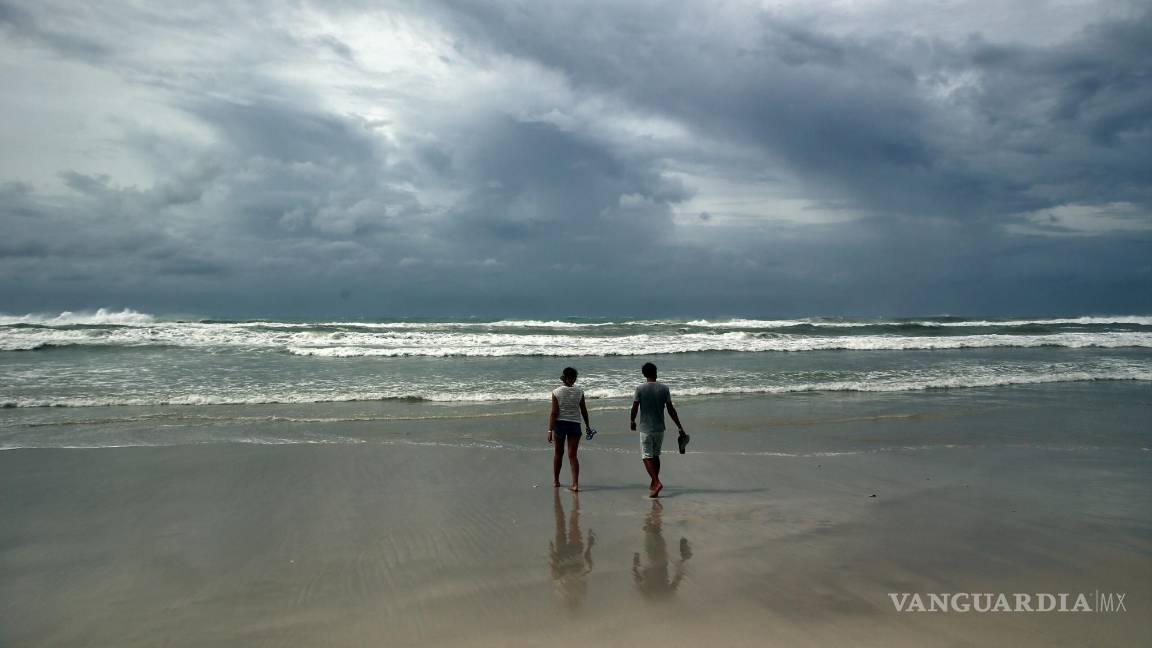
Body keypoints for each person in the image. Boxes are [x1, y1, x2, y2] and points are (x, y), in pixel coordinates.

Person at [630, 362, 688, 498]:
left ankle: (656, 482)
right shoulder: (664, 388)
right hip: (660, 429)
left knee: (646, 456)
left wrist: (632, 421)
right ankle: (653, 482)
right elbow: (671, 410)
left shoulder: (640, 388)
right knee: (655, 455)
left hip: (646, 428)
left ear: (644, 374)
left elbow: (635, 407)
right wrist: (679, 427)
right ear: (656, 372)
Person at [548, 367, 591, 492]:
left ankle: (556, 481)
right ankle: (575, 484)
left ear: (564, 377)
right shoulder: (579, 392)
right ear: (574, 378)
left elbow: (554, 413)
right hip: (575, 425)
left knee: (558, 453)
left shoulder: (556, 392)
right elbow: (583, 410)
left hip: (560, 425)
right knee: (573, 456)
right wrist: (587, 425)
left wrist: (550, 430)